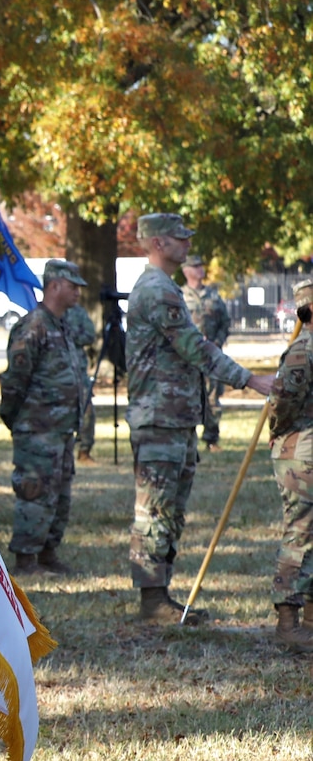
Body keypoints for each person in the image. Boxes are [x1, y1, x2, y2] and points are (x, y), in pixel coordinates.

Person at [125, 213, 274, 624]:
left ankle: (161, 596)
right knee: (155, 510)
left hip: (173, 417)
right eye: (179, 238)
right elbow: (195, 347)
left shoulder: (163, 287)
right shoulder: (158, 290)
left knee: (170, 509)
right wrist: (249, 379)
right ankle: (152, 601)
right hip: (159, 418)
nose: (188, 245)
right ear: (157, 243)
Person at [0, 260, 89, 574]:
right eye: (72, 286)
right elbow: (15, 378)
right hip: (37, 428)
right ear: (54, 286)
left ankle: (48, 552)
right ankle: (26, 557)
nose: (78, 292)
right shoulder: (34, 324)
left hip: (61, 429)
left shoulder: (63, 325)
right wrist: (17, 419)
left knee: (59, 493)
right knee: (35, 491)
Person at [267, 280, 313, 653]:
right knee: (300, 533)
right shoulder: (302, 350)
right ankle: (287, 620)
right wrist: (284, 435)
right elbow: (281, 403)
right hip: (301, 453)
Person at [181, 254, 231, 450]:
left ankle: (211, 438)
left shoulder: (213, 295)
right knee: (188, 396)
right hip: (188, 356)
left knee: (212, 396)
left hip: (211, 355)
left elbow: (225, 322)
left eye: (201, 265)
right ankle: (188, 437)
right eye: (195, 266)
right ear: (186, 271)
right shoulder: (179, 295)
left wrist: (217, 341)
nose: (200, 269)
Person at [65, 302, 99, 464]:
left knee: (87, 410)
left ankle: (84, 450)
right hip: (57, 373)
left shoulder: (78, 311)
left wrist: (69, 334)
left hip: (78, 370)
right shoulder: (44, 314)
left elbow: (90, 335)